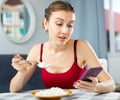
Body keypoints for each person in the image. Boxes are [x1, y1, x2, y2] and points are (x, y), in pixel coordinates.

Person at [10, 1, 115, 93]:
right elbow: (14, 89)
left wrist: (96, 87)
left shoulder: (81, 47)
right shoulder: (37, 50)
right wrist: (22, 72)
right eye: (59, 24)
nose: (65, 31)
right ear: (46, 23)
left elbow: (110, 84)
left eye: (70, 25)